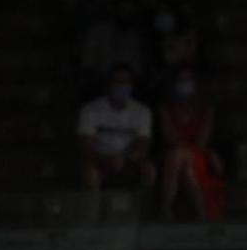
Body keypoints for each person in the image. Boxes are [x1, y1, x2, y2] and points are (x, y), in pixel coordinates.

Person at [77, 63, 156, 220]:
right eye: (117, 82)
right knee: (90, 173)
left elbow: (143, 145)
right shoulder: (90, 110)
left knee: (149, 170)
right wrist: (105, 159)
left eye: (125, 82)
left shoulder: (142, 111)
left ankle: (144, 215)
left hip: (129, 160)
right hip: (99, 160)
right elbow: (85, 145)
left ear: (132, 86)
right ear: (108, 85)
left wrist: (124, 159)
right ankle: (93, 217)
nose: (121, 86)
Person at [157, 66, 224, 221]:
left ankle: (166, 208)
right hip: (170, 156)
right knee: (179, 161)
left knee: (179, 157)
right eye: (180, 80)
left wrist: (185, 150)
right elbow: (170, 138)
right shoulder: (165, 109)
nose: (184, 84)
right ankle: (200, 212)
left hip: (197, 155)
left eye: (187, 80)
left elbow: (201, 142)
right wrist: (181, 150)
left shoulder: (206, 109)